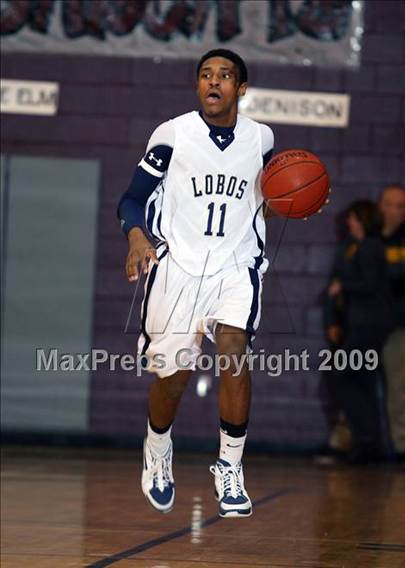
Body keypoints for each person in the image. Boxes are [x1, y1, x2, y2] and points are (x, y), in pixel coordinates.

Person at [117, 49, 274, 517]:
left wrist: (300, 200)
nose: (214, 82)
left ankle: (230, 467)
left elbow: (277, 194)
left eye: (225, 75)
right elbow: (132, 199)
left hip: (235, 266)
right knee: (174, 379)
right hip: (179, 269)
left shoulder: (262, 139)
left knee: (233, 352)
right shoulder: (172, 133)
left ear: (241, 88)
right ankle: (158, 446)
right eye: (206, 74)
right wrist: (136, 237)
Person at [324, 200, 393, 463]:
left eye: (353, 218)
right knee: (362, 383)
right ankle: (368, 445)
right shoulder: (357, 246)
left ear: (362, 220)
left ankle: (366, 441)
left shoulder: (370, 247)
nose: (349, 223)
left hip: (369, 324)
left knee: (343, 377)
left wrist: (343, 285)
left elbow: (371, 284)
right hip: (362, 323)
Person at [379, 185, 405, 463]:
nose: (400, 211)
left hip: (400, 328)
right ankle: (347, 442)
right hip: (363, 327)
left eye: (404, 205)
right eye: (394, 204)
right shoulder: (365, 239)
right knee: (353, 385)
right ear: (382, 206)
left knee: (401, 388)